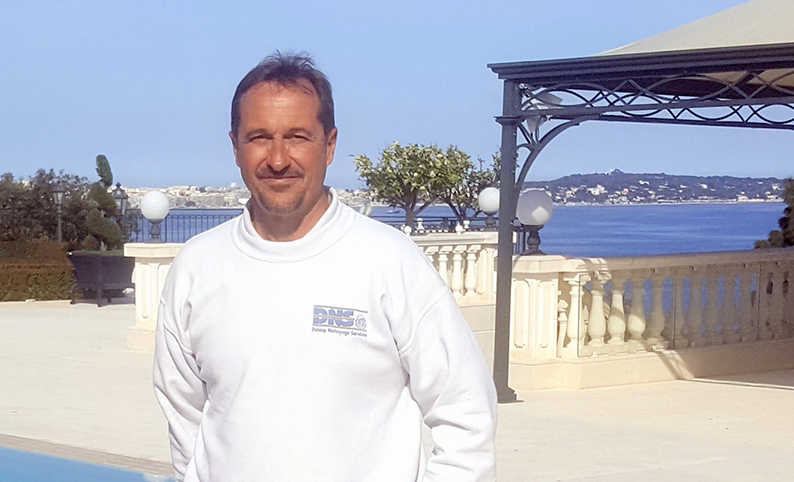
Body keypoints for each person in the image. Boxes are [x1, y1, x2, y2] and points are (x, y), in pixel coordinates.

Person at [153, 52, 497, 482]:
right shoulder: (197, 267)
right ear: (236, 147)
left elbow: (466, 415)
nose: (278, 159)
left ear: (330, 145)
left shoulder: (390, 262)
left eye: (298, 137)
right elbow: (185, 420)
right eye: (259, 137)